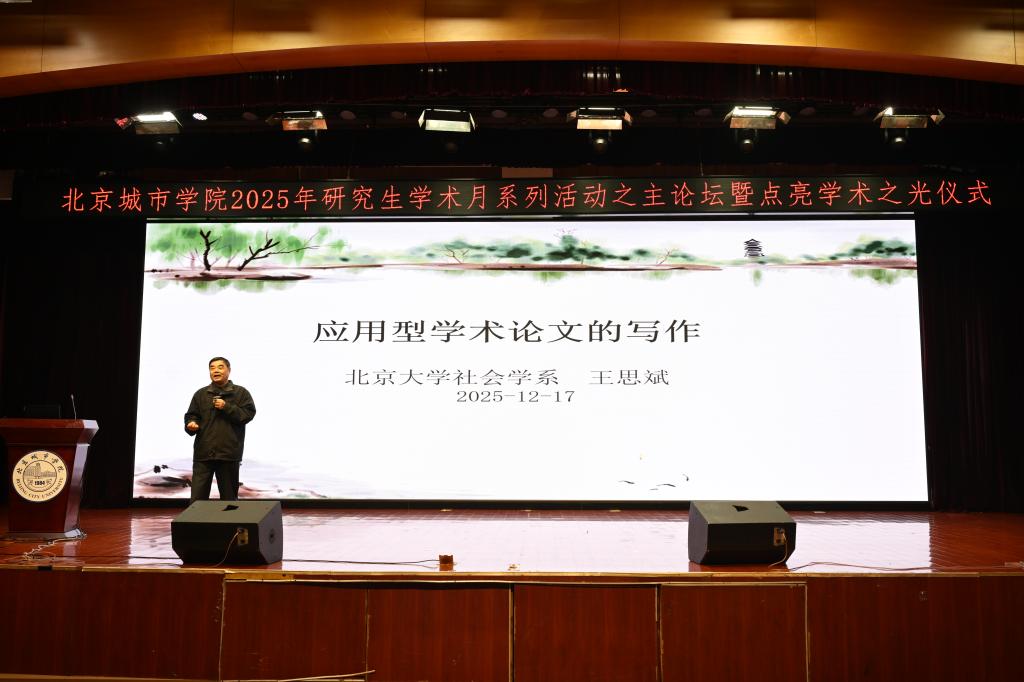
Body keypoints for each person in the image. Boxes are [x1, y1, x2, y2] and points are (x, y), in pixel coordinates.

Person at [184, 356, 256, 502]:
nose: (215, 370)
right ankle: (198, 519)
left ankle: (229, 518)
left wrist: (226, 407)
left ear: (229, 370)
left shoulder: (241, 393)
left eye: (220, 367)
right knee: (197, 499)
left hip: (228, 454)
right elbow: (191, 415)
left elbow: (247, 415)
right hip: (203, 454)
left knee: (229, 500)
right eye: (212, 368)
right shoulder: (201, 394)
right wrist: (191, 424)